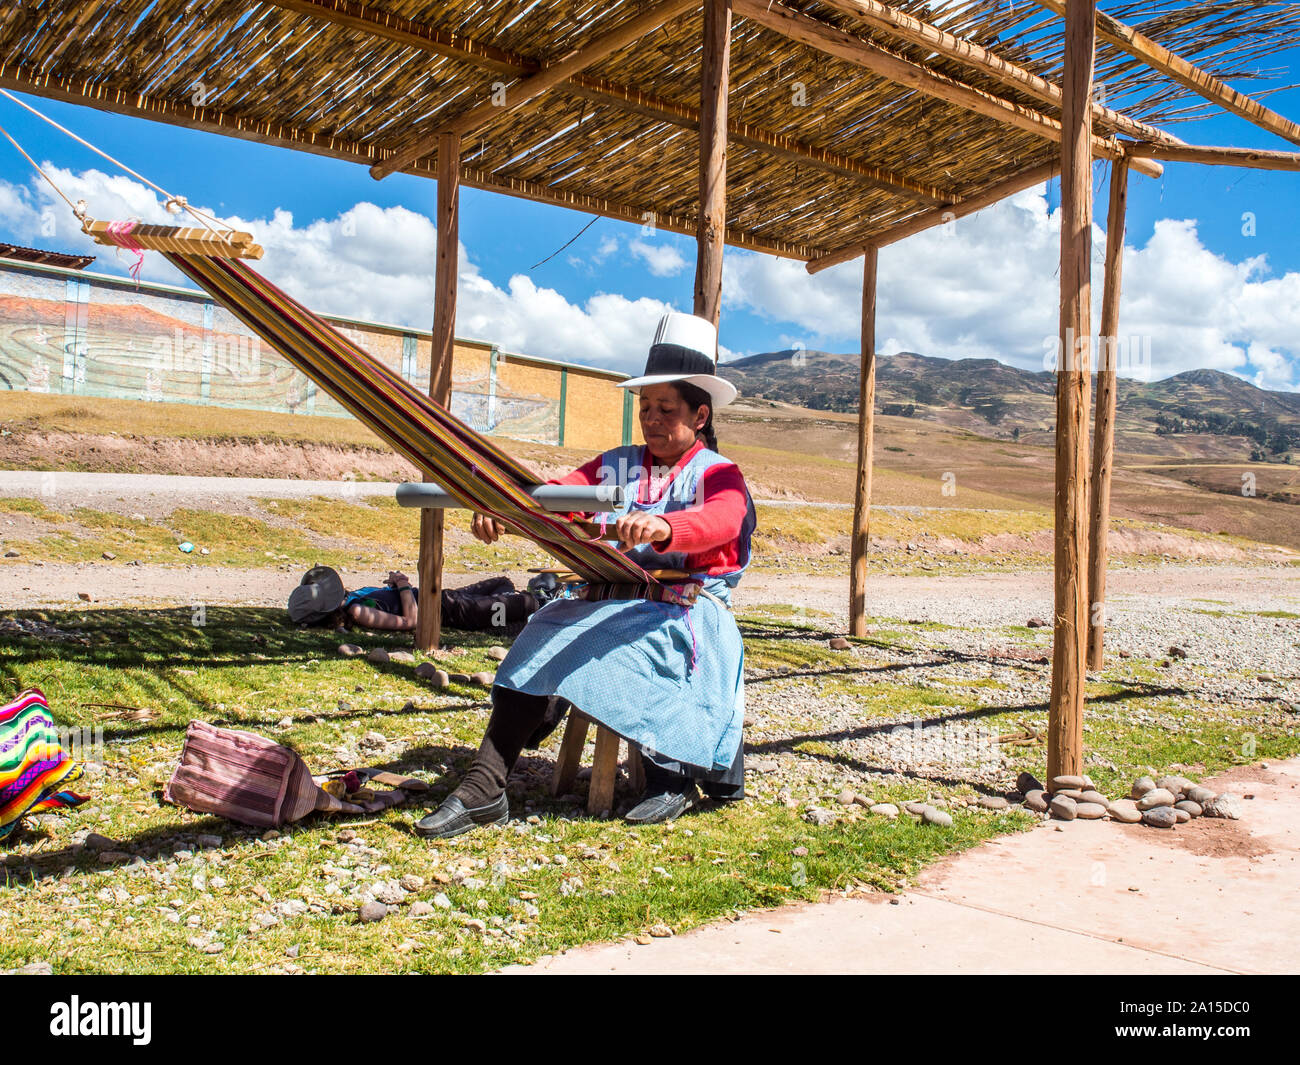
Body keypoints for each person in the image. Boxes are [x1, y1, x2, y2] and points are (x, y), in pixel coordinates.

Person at [416, 311, 756, 838]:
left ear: (700, 414)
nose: (652, 418)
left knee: (643, 645)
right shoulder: (619, 463)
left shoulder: (717, 472)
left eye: (667, 408)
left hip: (687, 605)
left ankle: (669, 779)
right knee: (543, 628)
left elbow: (723, 520)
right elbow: (558, 495)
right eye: (645, 407)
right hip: (611, 593)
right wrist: (502, 510)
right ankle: (484, 787)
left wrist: (666, 526)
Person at [287, 566, 541, 633]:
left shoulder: (354, 597)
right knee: (529, 603)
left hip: (447, 597)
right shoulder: (357, 612)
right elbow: (412, 621)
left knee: (503, 583)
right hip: (452, 612)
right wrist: (403, 585)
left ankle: (505, 618)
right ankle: (513, 614)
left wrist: (396, 587)